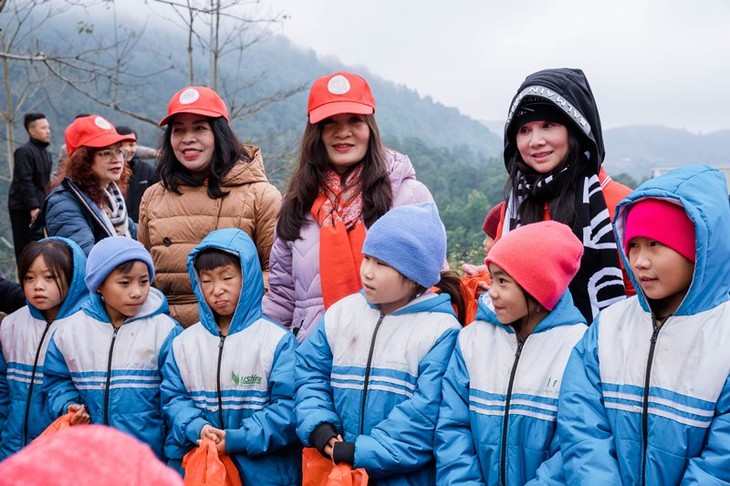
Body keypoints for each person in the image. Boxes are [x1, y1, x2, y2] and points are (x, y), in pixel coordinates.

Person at [558, 165, 730, 484]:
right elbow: (581, 428)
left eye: (656, 244)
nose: (639, 261)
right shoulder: (607, 328)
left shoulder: (723, 336)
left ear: (699, 248)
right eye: (634, 244)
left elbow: (721, 465)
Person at [295, 203, 462, 484]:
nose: (368, 272)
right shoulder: (341, 313)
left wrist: (358, 451)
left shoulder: (440, 332)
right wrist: (319, 425)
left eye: (382, 264)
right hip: (334, 471)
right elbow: (309, 373)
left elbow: (425, 416)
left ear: (414, 276)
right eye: (367, 258)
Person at [262, 71, 435, 342]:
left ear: (370, 128)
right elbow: (282, 296)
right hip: (311, 361)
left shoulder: (407, 195)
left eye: (355, 120)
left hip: (388, 357)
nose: (343, 132)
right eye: (330, 122)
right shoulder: (296, 203)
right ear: (315, 133)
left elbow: (432, 283)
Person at [464, 68, 633, 323]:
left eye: (548, 125)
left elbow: (637, 294)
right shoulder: (516, 206)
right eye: (524, 130)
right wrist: (487, 279)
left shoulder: (619, 204)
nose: (535, 141)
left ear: (576, 129)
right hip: (522, 353)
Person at [436, 221, 587, 485]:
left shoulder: (577, 347)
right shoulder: (471, 340)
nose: (491, 291)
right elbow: (453, 429)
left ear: (540, 286)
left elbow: (574, 447)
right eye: (492, 278)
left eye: (503, 282)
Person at [161, 228, 300, 484]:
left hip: (265, 472)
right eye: (207, 280)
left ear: (248, 278)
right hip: (202, 469)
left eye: (227, 278)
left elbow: (288, 408)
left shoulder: (276, 341)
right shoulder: (183, 344)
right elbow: (173, 399)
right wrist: (197, 429)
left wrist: (238, 438)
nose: (217, 290)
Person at [138, 86, 281, 327]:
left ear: (220, 133)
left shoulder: (261, 195)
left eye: (199, 128)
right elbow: (143, 275)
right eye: (178, 130)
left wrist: (232, 300)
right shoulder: (152, 197)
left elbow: (276, 274)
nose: (187, 138)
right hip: (166, 335)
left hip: (235, 332)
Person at [43, 237, 181, 459]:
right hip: (88, 455)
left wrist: (173, 461)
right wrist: (68, 406)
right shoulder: (71, 332)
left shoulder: (165, 331)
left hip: (146, 458)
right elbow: (56, 380)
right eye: (125, 283)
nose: (136, 292)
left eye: (144, 281)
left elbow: (176, 397)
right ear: (99, 285)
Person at [0, 238, 88, 459]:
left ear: (73, 278)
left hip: (61, 448)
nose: (38, 286)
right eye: (29, 278)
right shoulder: (12, 324)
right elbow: (2, 387)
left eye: (50, 277)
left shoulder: (85, 327)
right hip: (12, 445)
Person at [33, 115, 137, 255]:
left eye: (119, 151)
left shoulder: (110, 197)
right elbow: (89, 258)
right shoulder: (63, 204)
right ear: (83, 160)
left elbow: (136, 232)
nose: (117, 159)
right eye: (106, 153)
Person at [0, 425, 183, 486]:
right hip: (71, 449)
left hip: (141, 448)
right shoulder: (69, 336)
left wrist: (195, 427)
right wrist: (68, 403)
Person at [8, 113, 53, 269]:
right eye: (44, 128)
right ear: (32, 131)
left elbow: (45, 185)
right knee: (25, 250)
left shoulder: (46, 154)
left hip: (40, 207)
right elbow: (24, 181)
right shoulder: (24, 152)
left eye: (48, 127)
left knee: (41, 249)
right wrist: (33, 207)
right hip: (23, 208)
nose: (48, 131)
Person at [116, 125, 158, 223]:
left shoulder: (148, 171)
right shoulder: (106, 173)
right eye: (121, 144)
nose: (128, 149)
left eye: (131, 145)